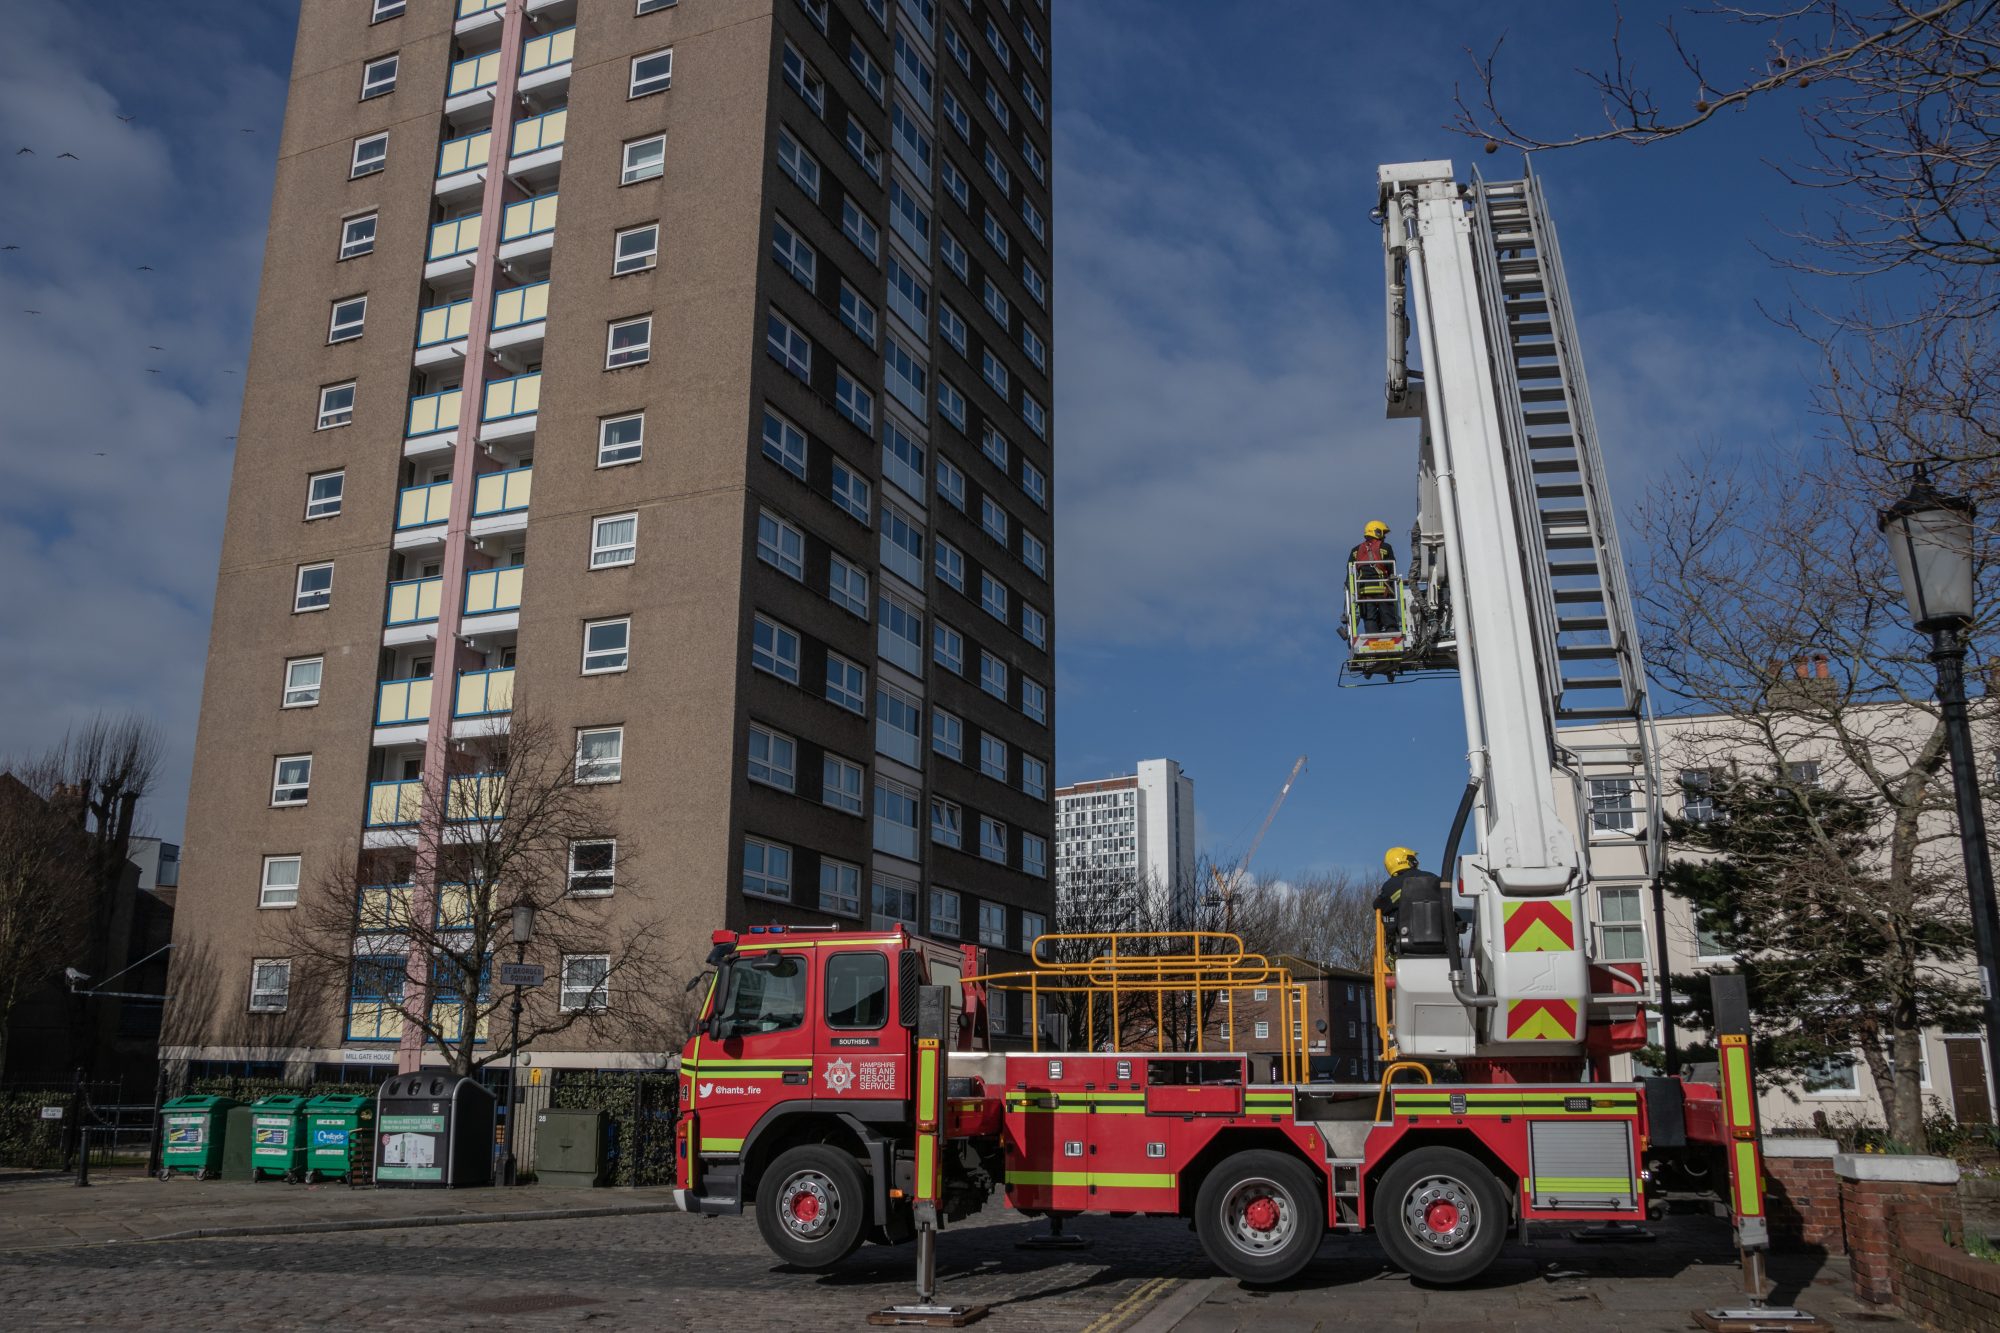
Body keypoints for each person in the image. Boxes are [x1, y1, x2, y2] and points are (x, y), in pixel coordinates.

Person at [1348, 521, 1398, 634]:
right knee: (1388, 618)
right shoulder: (1386, 547)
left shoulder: (1355, 551)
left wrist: (1352, 591)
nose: (1384, 537)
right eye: (1383, 533)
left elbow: (1350, 573)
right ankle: (1392, 634)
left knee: (1370, 618)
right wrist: (1392, 588)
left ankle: (1372, 637)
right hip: (1383, 590)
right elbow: (1392, 569)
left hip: (1364, 591)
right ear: (1377, 532)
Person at [1373, 846, 1421, 956]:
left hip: (1406, 944)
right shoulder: (1433, 878)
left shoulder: (1391, 886)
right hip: (1442, 944)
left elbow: (1378, 905)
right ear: (1407, 860)